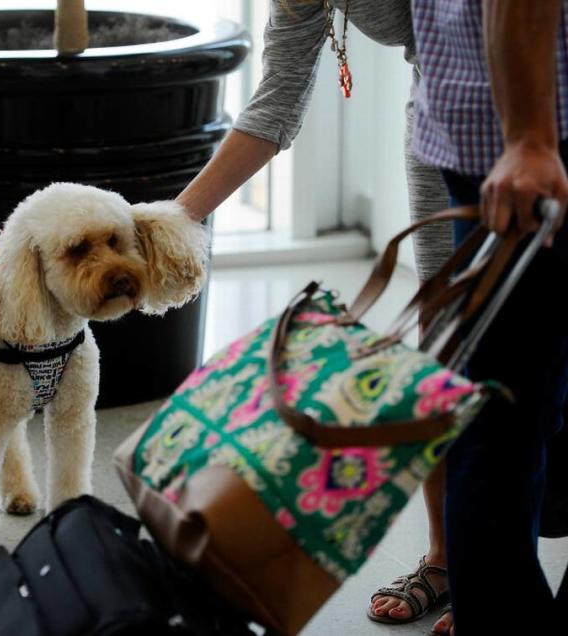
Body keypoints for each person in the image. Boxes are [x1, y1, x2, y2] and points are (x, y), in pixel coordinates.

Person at [176, 1, 459, 629]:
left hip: (533, 110)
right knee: (444, 346)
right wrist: (175, 220)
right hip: (439, 116)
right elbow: (276, 104)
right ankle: (448, 559)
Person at [408, 1, 568, 633]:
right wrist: (530, 134)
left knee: (510, 403)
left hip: (499, 130)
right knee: (507, 412)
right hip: (535, 140)